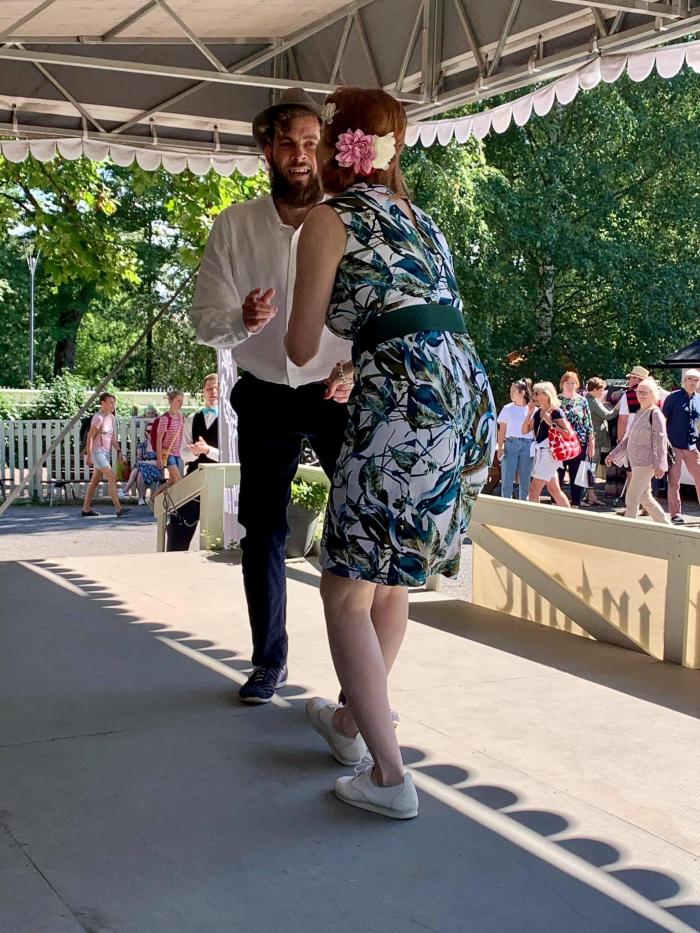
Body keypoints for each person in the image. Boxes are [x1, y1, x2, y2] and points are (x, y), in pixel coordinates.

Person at [286, 86, 495, 819]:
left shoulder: (329, 218)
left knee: (345, 589)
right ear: (390, 149)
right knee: (392, 579)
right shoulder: (420, 217)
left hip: (406, 405)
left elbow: (300, 345)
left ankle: (389, 775)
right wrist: (365, 357)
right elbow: (418, 317)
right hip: (462, 394)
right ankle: (351, 723)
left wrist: (333, 343)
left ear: (337, 147)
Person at [190, 88, 352, 705]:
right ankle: (268, 661)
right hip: (262, 393)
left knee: (357, 523)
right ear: (267, 150)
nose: (301, 154)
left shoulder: (350, 218)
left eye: (311, 143)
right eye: (288, 143)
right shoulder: (235, 225)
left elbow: (377, 310)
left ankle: (358, 677)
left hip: (337, 393)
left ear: (325, 149)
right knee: (261, 528)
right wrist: (243, 320)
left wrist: (356, 368)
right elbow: (205, 320)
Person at [166, 373, 221, 550]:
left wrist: (208, 450)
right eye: (209, 389)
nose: (213, 392)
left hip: (221, 481)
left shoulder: (232, 419)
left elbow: (235, 455)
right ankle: (173, 560)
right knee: (179, 524)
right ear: (203, 392)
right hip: (195, 479)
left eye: (217, 388)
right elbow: (183, 453)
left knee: (217, 534)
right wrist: (195, 452)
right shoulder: (192, 419)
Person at [606, 379, 670, 524]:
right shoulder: (640, 411)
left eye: (645, 392)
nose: (641, 395)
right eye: (639, 392)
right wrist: (613, 454)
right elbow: (629, 438)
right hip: (636, 463)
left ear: (653, 394)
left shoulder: (655, 414)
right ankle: (668, 527)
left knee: (631, 498)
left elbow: (660, 440)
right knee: (645, 498)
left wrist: (660, 464)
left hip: (646, 463)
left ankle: (629, 530)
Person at [522, 382, 571, 508]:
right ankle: (570, 515)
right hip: (541, 452)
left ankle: (535, 519)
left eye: (537, 394)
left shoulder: (556, 412)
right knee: (554, 490)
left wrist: (551, 424)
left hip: (549, 453)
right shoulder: (538, 412)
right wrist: (529, 413)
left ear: (547, 394)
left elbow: (568, 434)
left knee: (533, 491)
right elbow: (524, 430)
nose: (534, 397)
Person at [81, 391, 129, 518]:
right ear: (102, 403)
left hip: (105, 453)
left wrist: (119, 451)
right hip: (97, 452)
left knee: (94, 482)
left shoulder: (111, 418)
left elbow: (112, 437)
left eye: (114, 403)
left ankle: (85, 508)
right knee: (112, 477)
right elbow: (90, 437)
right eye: (110, 402)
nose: (113, 405)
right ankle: (118, 508)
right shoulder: (98, 418)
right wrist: (89, 456)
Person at [662, 368, 700, 525]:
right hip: (674, 446)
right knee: (674, 481)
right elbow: (663, 421)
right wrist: (664, 444)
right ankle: (675, 514)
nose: (693, 382)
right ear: (684, 380)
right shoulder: (672, 398)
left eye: (696, 380)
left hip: (692, 446)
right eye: (690, 379)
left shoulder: (699, 400)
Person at [558, 371, 595, 508]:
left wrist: (591, 443)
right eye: (567, 383)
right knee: (558, 474)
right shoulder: (556, 400)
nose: (570, 386)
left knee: (577, 476)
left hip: (579, 443)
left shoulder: (582, 401)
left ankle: (575, 505)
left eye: (573, 383)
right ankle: (557, 504)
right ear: (562, 384)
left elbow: (588, 423)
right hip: (560, 444)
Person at [496, 379, 534, 500]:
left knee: (525, 480)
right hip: (511, 444)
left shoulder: (532, 409)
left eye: (514, 391)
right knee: (507, 479)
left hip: (528, 445)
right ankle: (505, 506)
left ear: (522, 392)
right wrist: (500, 447)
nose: (511, 393)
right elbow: (502, 430)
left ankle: (523, 506)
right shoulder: (507, 408)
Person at [584, 377, 616, 506]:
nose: (603, 392)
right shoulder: (591, 401)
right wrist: (617, 408)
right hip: (594, 441)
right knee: (591, 467)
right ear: (595, 389)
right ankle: (591, 496)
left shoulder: (591, 400)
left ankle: (590, 495)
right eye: (601, 390)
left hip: (594, 439)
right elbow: (607, 415)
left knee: (591, 467)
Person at [155, 390, 185, 487]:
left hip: (177, 454)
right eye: (178, 401)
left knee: (171, 482)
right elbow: (159, 440)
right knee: (179, 481)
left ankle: (155, 496)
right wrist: (159, 458)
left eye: (182, 401)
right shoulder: (165, 419)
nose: (181, 403)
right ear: (171, 402)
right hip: (168, 454)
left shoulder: (181, 417)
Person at [616, 365, 649, 440]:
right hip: (649, 438)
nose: (628, 381)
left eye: (630, 378)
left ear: (636, 379)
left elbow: (622, 420)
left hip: (631, 438)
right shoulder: (655, 394)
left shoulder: (628, 395)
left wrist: (620, 439)